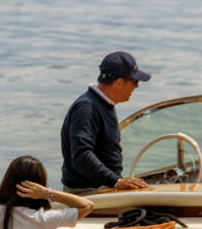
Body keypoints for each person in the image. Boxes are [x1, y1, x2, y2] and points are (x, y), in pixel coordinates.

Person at [60, 50, 152, 194]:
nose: (137, 86)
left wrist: (116, 182)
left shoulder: (102, 105)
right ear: (119, 82)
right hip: (87, 192)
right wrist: (115, 182)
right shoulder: (87, 108)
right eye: (135, 81)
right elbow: (81, 156)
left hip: (104, 187)